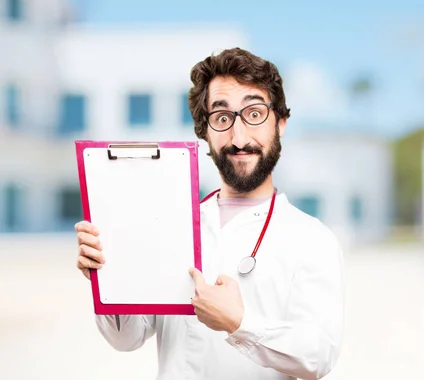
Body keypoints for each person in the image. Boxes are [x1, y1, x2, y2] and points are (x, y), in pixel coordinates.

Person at [74, 47, 345, 380]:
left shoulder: (312, 238)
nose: (239, 136)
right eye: (222, 118)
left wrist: (239, 323)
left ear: (282, 124)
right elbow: (125, 338)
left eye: (255, 113)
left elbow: (318, 355)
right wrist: (108, 275)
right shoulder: (170, 223)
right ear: (204, 131)